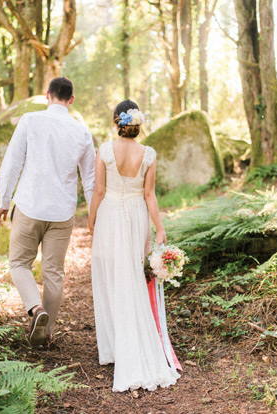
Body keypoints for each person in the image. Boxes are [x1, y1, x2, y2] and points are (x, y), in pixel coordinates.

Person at [0, 77, 96, 347]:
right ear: (71, 99)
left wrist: (4, 201)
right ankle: (46, 333)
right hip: (62, 213)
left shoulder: (30, 120)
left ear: (47, 95)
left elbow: (13, 162)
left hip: (30, 205)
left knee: (19, 263)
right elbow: (90, 180)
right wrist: (93, 215)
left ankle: (35, 308)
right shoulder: (82, 132)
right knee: (54, 273)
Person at [88, 100, 181, 392]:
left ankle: (119, 348)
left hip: (111, 215)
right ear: (137, 122)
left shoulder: (104, 151)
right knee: (134, 278)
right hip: (138, 216)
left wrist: (91, 223)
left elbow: (99, 191)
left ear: (116, 121)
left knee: (113, 277)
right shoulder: (149, 154)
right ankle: (131, 343)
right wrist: (160, 227)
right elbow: (149, 195)